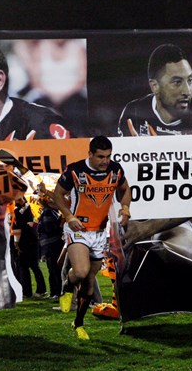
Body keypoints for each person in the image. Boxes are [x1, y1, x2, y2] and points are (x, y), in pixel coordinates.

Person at [120, 44, 192, 266]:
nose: (187, 90)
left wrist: (148, 226)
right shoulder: (133, 114)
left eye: (190, 80)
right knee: (174, 252)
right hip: (169, 219)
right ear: (154, 86)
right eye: (177, 81)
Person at [49, 136, 131, 340]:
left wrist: (126, 208)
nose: (105, 161)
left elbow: (125, 189)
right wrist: (68, 216)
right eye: (101, 156)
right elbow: (57, 194)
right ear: (90, 154)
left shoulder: (115, 169)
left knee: (89, 281)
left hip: (100, 231)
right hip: (78, 228)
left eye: (108, 156)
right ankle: (67, 286)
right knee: (81, 271)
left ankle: (78, 323)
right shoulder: (75, 171)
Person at [13, 196, 46, 298]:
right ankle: (28, 291)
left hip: (28, 241)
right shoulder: (22, 209)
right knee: (25, 268)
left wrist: (16, 242)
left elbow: (18, 227)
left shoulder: (22, 209)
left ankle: (39, 290)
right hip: (28, 241)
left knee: (32, 266)